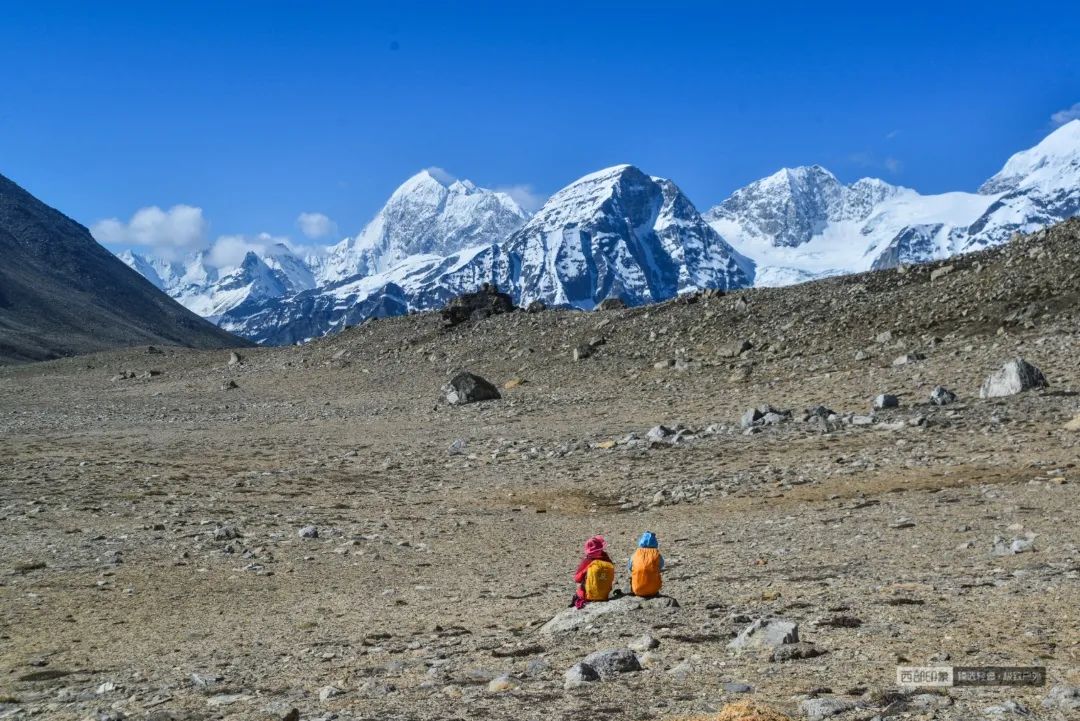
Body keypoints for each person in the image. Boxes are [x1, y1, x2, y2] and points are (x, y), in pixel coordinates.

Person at [571, 535, 615, 609]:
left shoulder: (588, 561)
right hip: (604, 594)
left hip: (588, 596)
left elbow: (577, 579)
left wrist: (586, 570)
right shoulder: (607, 559)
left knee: (579, 584)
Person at [628, 531, 664, 597]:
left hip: (637, 590)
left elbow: (630, 567)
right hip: (654, 590)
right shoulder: (657, 554)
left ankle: (635, 589)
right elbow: (661, 566)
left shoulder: (635, 554)